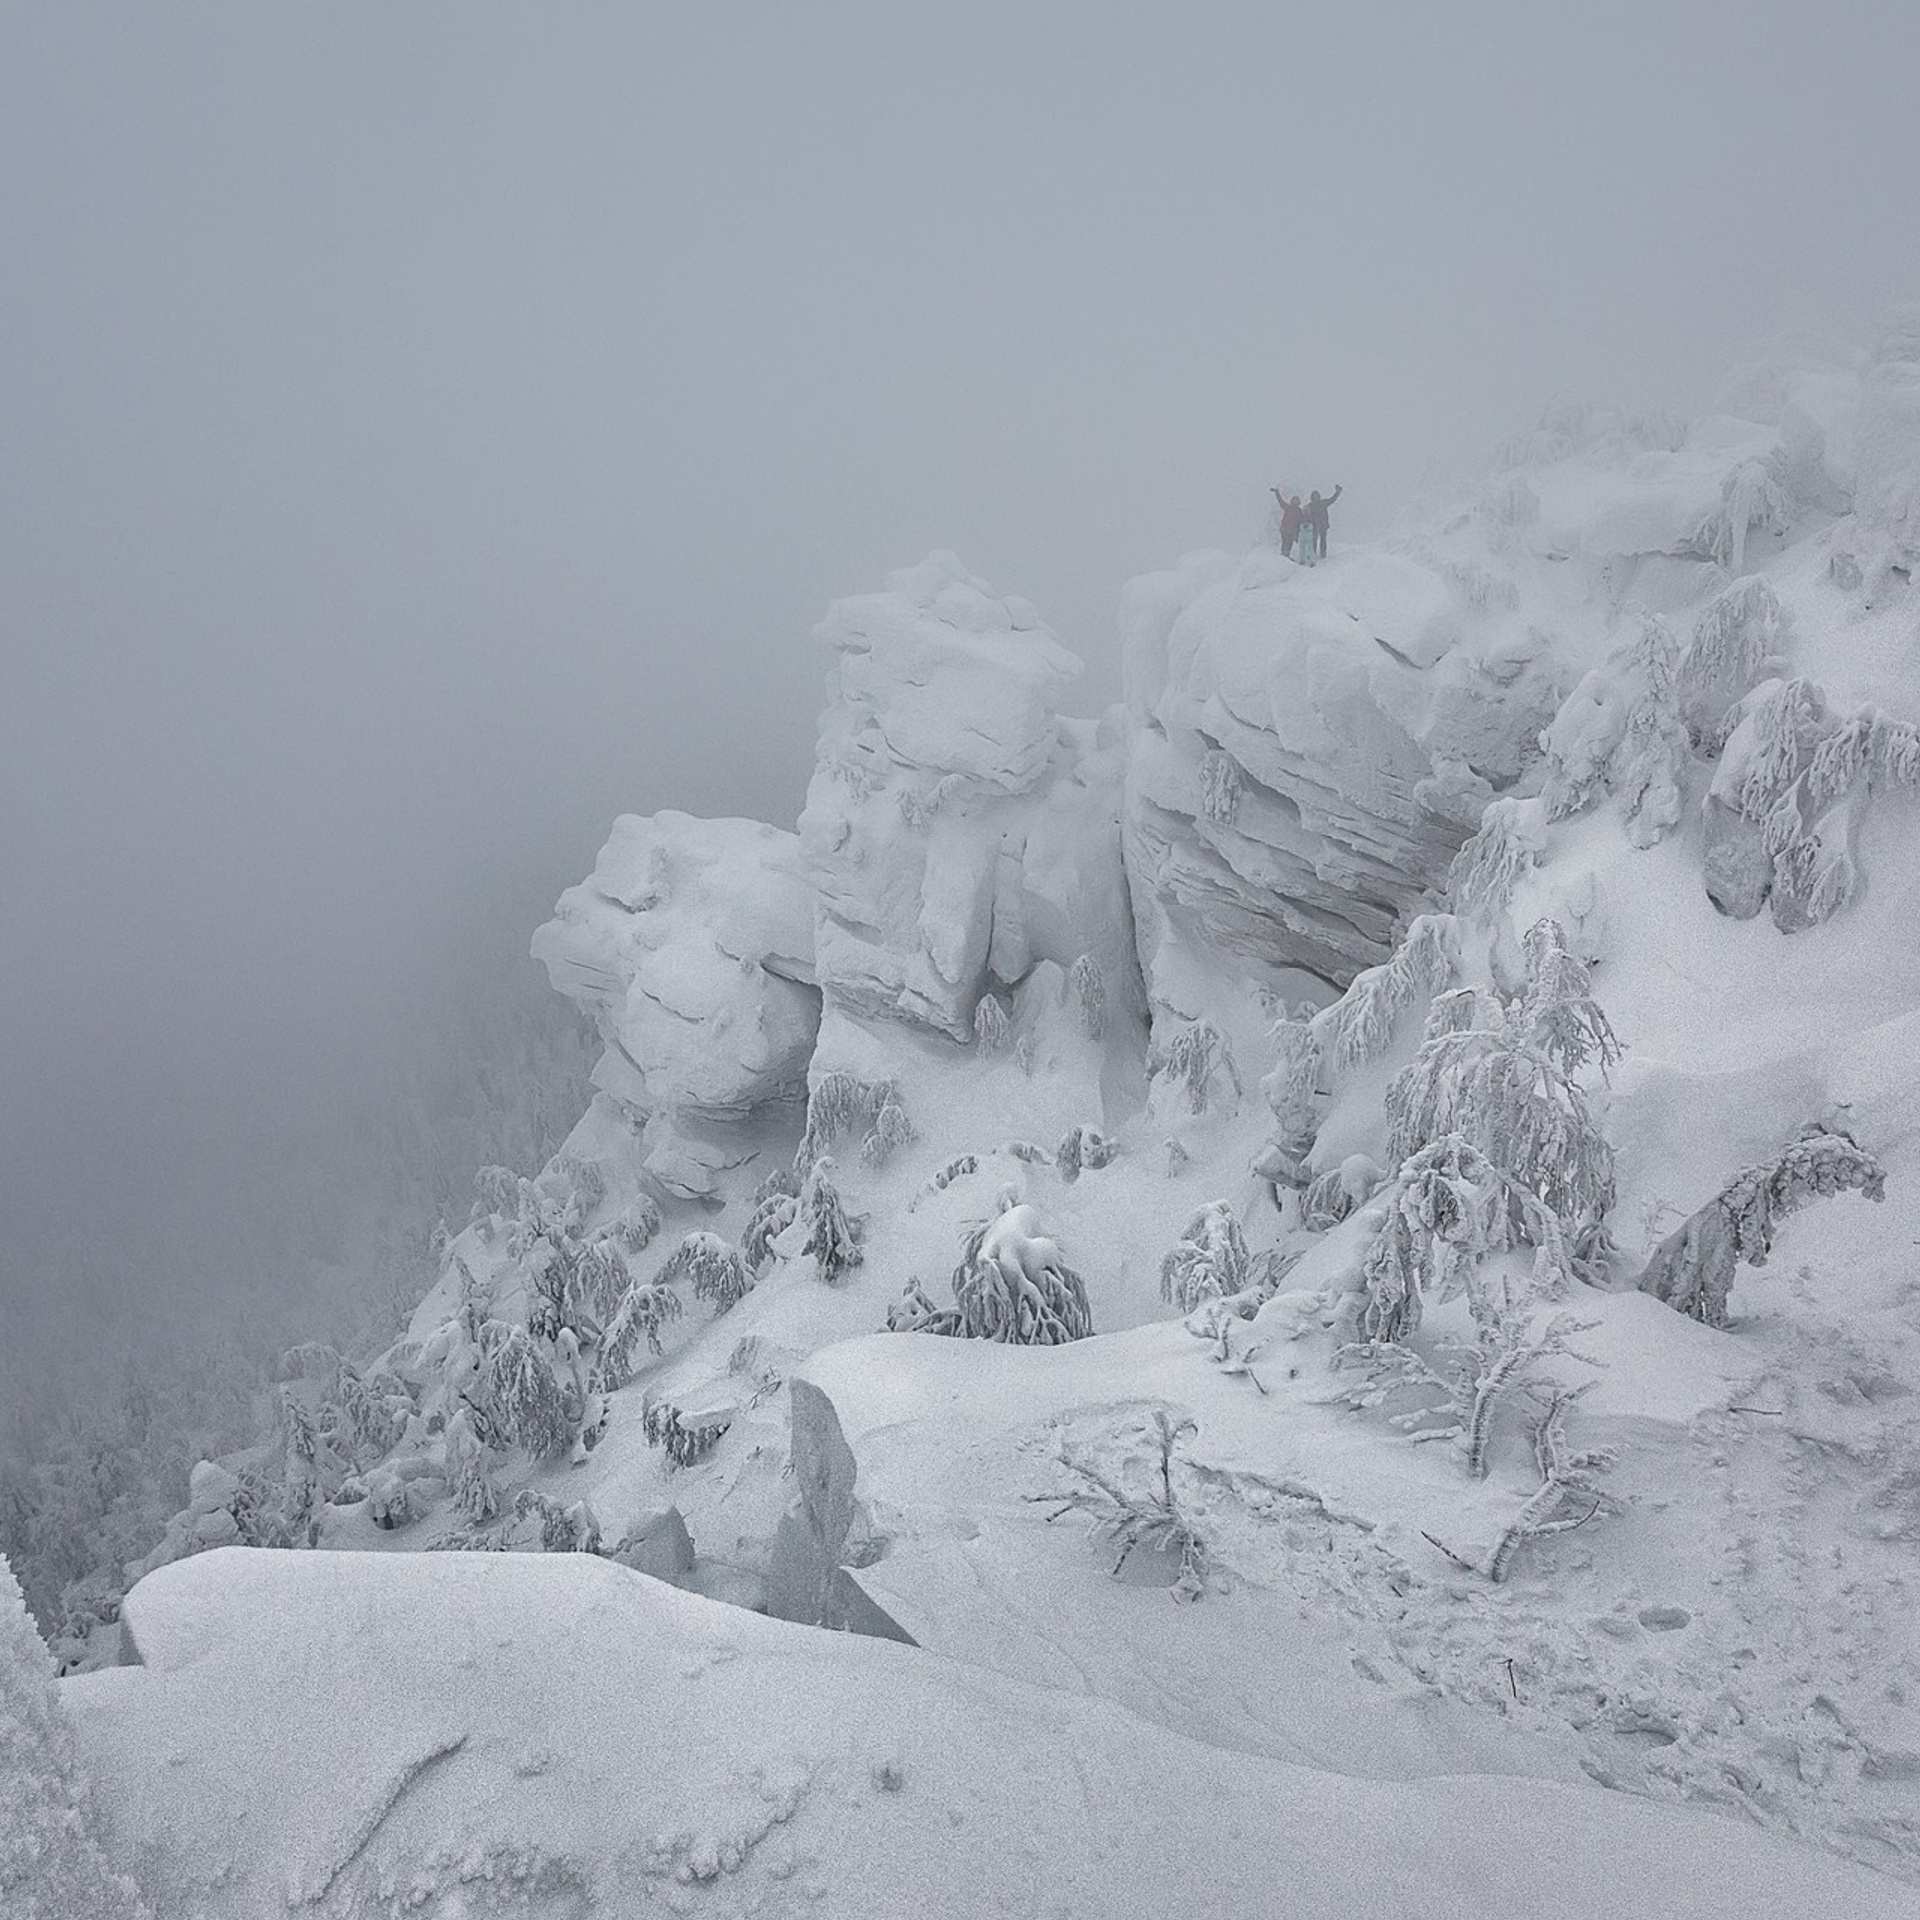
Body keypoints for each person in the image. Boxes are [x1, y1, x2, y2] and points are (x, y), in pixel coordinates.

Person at [1307, 484, 1343, 559]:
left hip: (1323, 525)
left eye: (1317, 496)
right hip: (1314, 525)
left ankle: (1323, 554)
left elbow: (1332, 499)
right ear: (1312, 497)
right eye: (1314, 496)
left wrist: (1337, 492)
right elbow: (1306, 516)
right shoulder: (1310, 505)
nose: (1315, 497)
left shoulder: (1323, 503)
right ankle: (1313, 553)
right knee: (1314, 540)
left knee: (1323, 540)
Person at [1271, 488, 1306, 558]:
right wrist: (1277, 493)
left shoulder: (1299, 511)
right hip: (1285, 529)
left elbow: (1302, 521)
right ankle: (1283, 557)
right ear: (1292, 501)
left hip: (1293, 531)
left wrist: (1298, 533)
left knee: (1289, 544)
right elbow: (1281, 501)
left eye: (1297, 500)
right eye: (1294, 500)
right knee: (1285, 543)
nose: (1295, 501)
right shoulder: (1288, 507)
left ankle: (1286, 556)